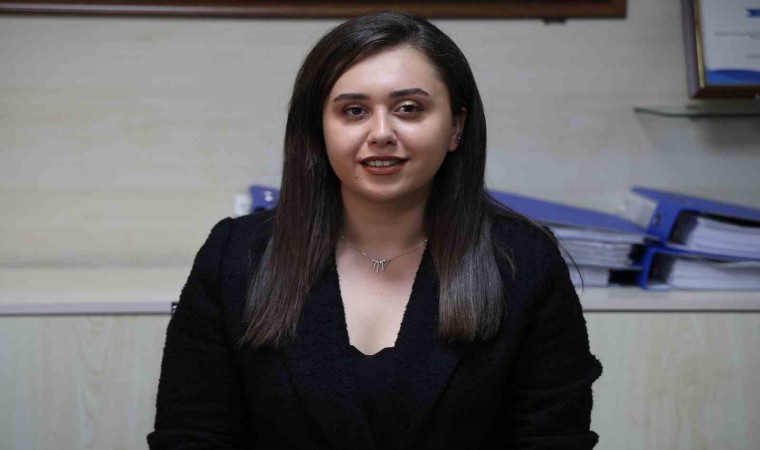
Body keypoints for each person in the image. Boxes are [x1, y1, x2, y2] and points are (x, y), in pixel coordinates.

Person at [148, 11, 602, 450]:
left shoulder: (525, 263)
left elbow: (552, 438)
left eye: (409, 108)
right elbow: (191, 434)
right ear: (318, 129)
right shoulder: (236, 255)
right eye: (354, 110)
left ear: (455, 127)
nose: (381, 132)